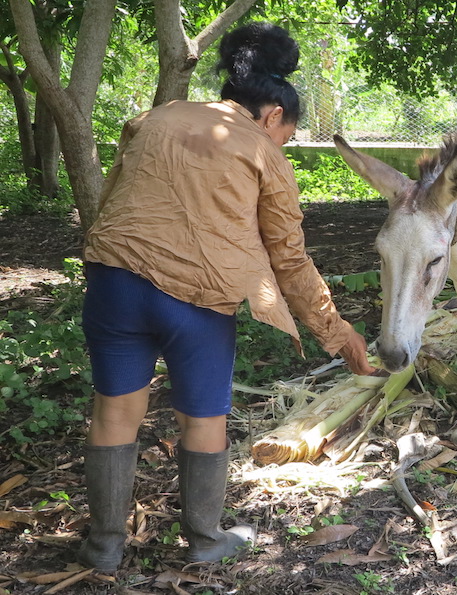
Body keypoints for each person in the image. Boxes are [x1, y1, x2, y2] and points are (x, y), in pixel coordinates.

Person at [77, 22, 377, 572]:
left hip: (113, 279)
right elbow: (289, 259)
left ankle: (103, 548)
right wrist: (340, 334)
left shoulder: (155, 117)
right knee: (202, 417)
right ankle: (205, 539)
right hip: (197, 296)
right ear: (271, 117)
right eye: (286, 133)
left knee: (115, 411)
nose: (282, 142)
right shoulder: (263, 151)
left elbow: (117, 193)